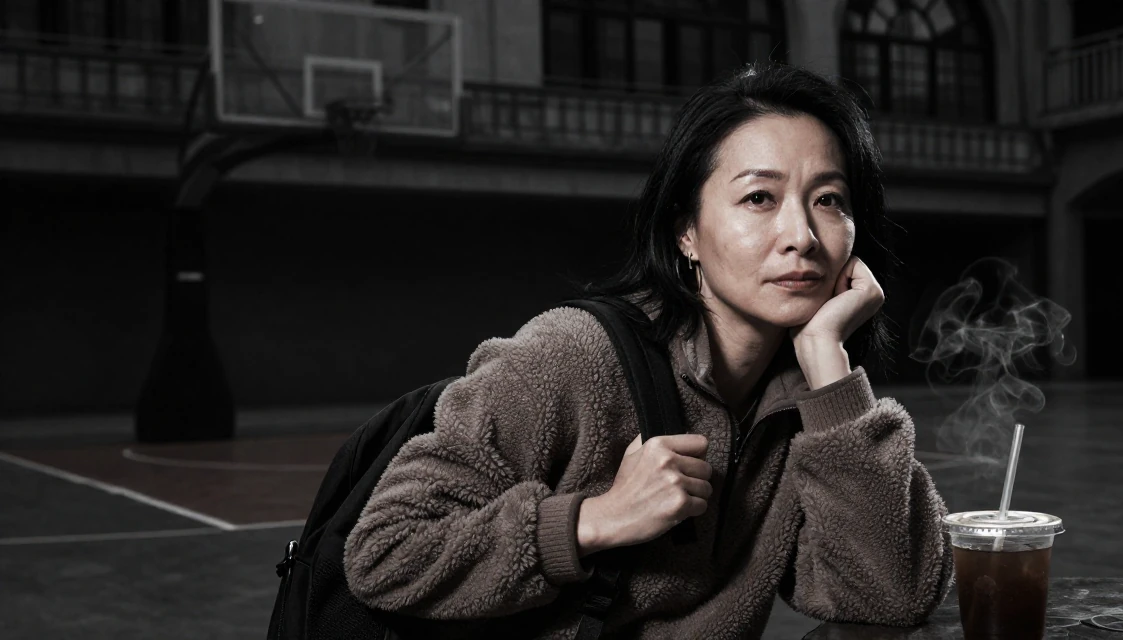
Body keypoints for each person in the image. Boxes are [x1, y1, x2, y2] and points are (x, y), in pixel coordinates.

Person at [343, 62, 953, 639]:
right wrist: (596, 520)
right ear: (686, 231)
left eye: (829, 200)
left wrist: (828, 362)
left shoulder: (814, 405)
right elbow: (386, 553)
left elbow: (890, 598)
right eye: (759, 199)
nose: (801, 237)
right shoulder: (570, 356)